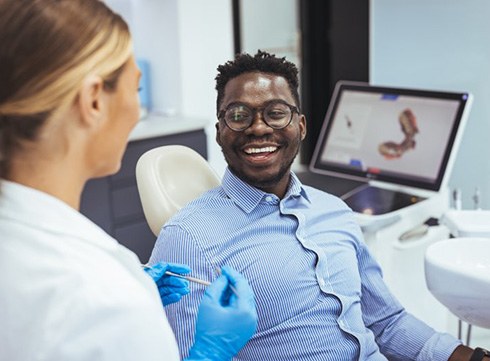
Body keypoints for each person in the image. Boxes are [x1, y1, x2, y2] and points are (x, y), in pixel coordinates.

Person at [149, 50, 490, 361]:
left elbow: (387, 323)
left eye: (276, 113)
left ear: (301, 126)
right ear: (220, 130)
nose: (258, 128)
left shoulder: (334, 212)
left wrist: (471, 358)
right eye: (239, 116)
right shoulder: (188, 239)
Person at [0, 1, 257, 360]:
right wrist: (210, 352)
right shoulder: (108, 297)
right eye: (134, 89)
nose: (137, 111)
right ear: (93, 101)